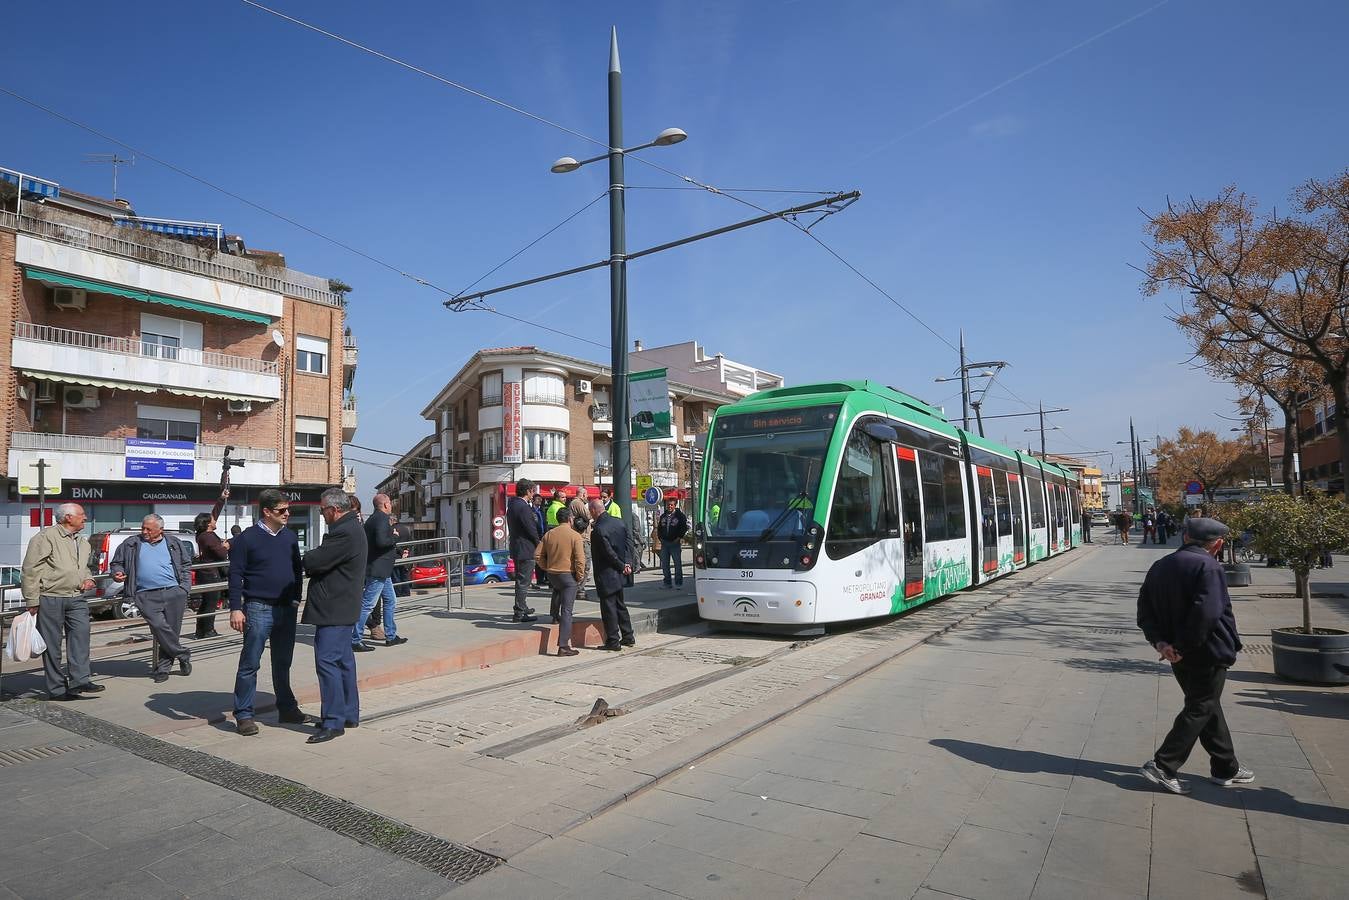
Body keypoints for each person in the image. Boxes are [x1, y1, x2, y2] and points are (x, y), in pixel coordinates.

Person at [1137, 517, 1252, 795]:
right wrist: (1183, 646)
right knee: (1201, 706)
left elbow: (1145, 610)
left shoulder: (1160, 565)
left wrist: (1162, 643)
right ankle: (1164, 764)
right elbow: (1207, 613)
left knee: (1205, 705)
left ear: (1185, 537)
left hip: (1177, 653)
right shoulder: (1209, 566)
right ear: (1218, 544)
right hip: (1206, 651)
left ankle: (1226, 766)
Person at [229, 489, 308, 735]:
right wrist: (235, 609)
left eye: (288, 510)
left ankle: (286, 708)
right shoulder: (247, 539)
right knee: (250, 662)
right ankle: (244, 714)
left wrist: (296, 598)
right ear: (266, 511)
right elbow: (235, 574)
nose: (287, 514)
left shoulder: (290, 537)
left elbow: (297, 570)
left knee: (283, 662)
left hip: (286, 608)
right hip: (257, 607)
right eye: (281, 510)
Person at [302, 489, 368, 744]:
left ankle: (333, 720)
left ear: (334, 510)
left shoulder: (343, 532)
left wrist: (306, 557)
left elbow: (316, 560)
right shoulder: (352, 527)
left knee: (328, 662)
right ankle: (348, 713)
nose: (322, 514)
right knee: (342, 662)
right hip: (343, 606)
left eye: (322, 510)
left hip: (334, 607)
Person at [21, 503, 99, 701]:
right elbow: (31, 569)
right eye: (81, 515)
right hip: (51, 597)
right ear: (67, 518)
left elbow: (83, 567)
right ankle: (57, 689)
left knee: (81, 638)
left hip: (76, 597)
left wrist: (88, 578)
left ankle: (80, 681)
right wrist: (32, 599)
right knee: (52, 646)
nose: (85, 518)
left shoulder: (82, 541)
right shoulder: (46, 537)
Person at [110, 514, 195, 684]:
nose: (144, 531)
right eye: (143, 528)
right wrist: (117, 573)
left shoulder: (173, 543)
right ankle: (182, 653)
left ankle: (164, 668)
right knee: (159, 627)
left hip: (173, 592)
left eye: (148, 529)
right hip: (145, 594)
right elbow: (116, 563)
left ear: (160, 530)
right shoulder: (131, 543)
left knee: (171, 630)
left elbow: (186, 564)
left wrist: (184, 588)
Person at [356, 493, 405, 651]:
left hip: (380, 569)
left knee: (391, 601)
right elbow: (382, 542)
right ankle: (354, 638)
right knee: (368, 604)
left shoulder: (371, 519)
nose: (391, 505)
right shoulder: (383, 519)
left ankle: (391, 636)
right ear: (385, 505)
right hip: (378, 569)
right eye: (389, 503)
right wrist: (395, 536)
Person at [536, 506, 586, 657]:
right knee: (567, 610)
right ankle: (563, 645)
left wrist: (547, 567)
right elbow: (580, 559)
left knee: (558, 591)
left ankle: (554, 616)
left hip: (553, 574)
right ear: (570, 519)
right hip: (568, 575)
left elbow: (537, 555)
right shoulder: (575, 536)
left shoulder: (549, 534)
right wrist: (579, 576)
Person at [589, 498, 635, 651]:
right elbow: (629, 543)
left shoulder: (598, 530)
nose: (590, 514)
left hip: (606, 574)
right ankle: (628, 636)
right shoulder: (620, 522)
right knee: (620, 605)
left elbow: (608, 553)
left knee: (609, 608)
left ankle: (613, 641)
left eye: (591, 511)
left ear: (594, 510)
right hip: (620, 573)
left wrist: (622, 565)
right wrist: (627, 564)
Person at [192, 488, 231, 638]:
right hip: (211, 574)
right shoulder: (208, 537)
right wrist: (225, 546)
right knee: (210, 603)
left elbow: (214, 514)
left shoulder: (203, 534)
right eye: (212, 520)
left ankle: (200, 631)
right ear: (208, 524)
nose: (215, 520)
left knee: (206, 602)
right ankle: (208, 630)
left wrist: (221, 499)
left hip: (207, 573)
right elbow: (221, 554)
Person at [506, 479, 540, 623]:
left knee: (521, 580)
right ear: (528, 491)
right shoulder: (523, 507)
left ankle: (522, 606)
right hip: (526, 548)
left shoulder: (513, 505)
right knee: (523, 581)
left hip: (517, 547)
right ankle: (519, 612)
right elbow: (530, 528)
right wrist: (539, 542)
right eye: (533, 491)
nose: (534, 494)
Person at [657, 497, 690, 588]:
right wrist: (660, 538)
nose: (669, 506)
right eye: (668, 505)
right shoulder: (663, 516)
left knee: (677, 564)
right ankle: (667, 582)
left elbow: (684, 528)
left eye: (671, 505)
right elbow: (659, 529)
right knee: (665, 564)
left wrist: (679, 537)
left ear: (675, 505)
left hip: (675, 543)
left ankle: (678, 583)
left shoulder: (680, 516)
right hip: (665, 544)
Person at [568, 493, 593, 602]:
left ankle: (577, 588)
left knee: (580, 563)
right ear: (583, 494)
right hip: (583, 538)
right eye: (586, 495)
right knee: (585, 564)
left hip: (581, 537)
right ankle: (579, 589)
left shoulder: (574, 503)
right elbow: (588, 515)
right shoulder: (578, 503)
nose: (587, 497)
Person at [532, 494, 550, 588]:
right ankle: (539, 579)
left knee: (545, 557)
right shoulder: (531, 512)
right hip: (537, 537)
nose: (540, 501)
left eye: (541, 500)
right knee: (538, 558)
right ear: (533, 500)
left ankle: (545, 578)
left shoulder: (541, 511)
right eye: (538, 499)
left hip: (544, 536)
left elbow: (544, 523)